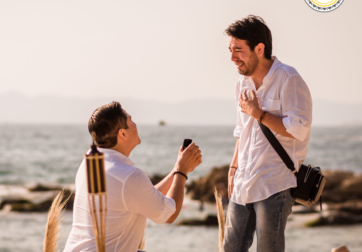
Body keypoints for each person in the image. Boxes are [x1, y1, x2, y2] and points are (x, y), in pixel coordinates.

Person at [223, 15, 312, 252]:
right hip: (243, 182)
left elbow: (299, 130)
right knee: (231, 248)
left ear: (259, 48)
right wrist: (233, 169)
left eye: (238, 50)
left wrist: (259, 113)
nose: (232, 57)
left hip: (275, 184)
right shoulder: (241, 84)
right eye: (230, 50)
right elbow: (243, 131)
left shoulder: (289, 78)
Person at [64, 101, 202, 252]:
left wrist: (176, 168)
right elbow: (169, 215)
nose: (136, 125)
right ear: (122, 133)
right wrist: (182, 173)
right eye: (132, 121)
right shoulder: (129, 177)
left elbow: (142, 196)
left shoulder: (89, 163)